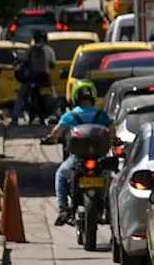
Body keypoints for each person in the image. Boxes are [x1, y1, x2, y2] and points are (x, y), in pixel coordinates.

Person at [46, 80, 112, 226]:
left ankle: (63, 208)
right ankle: (110, 210)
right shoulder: (101, 115)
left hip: (77, 159)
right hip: (99, 159)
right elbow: (112, 132)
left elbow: (56, 132)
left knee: (61, 175)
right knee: (111, 179)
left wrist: (51, 138)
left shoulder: (70, 116)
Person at [12, 29, 56, 125]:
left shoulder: (30, 49)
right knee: (53, 97)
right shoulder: (49, 50)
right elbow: (53, 64)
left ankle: (15, 117)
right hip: (45, 78)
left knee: (21, 96)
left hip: (31, 78)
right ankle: (55, 114)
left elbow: (25, 61)